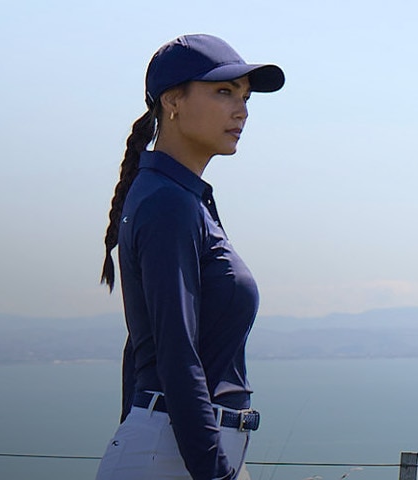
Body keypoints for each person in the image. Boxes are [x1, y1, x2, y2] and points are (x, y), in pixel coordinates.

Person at [94, 34, 284, 480]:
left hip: (177, 451)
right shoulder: (168, 203)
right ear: (172, 101)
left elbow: (142, 351)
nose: (241, 110)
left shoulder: (178, 197)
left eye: (245, 97)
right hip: (179, 456)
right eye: (223, 92)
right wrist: (215, 474)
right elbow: (176, 354)